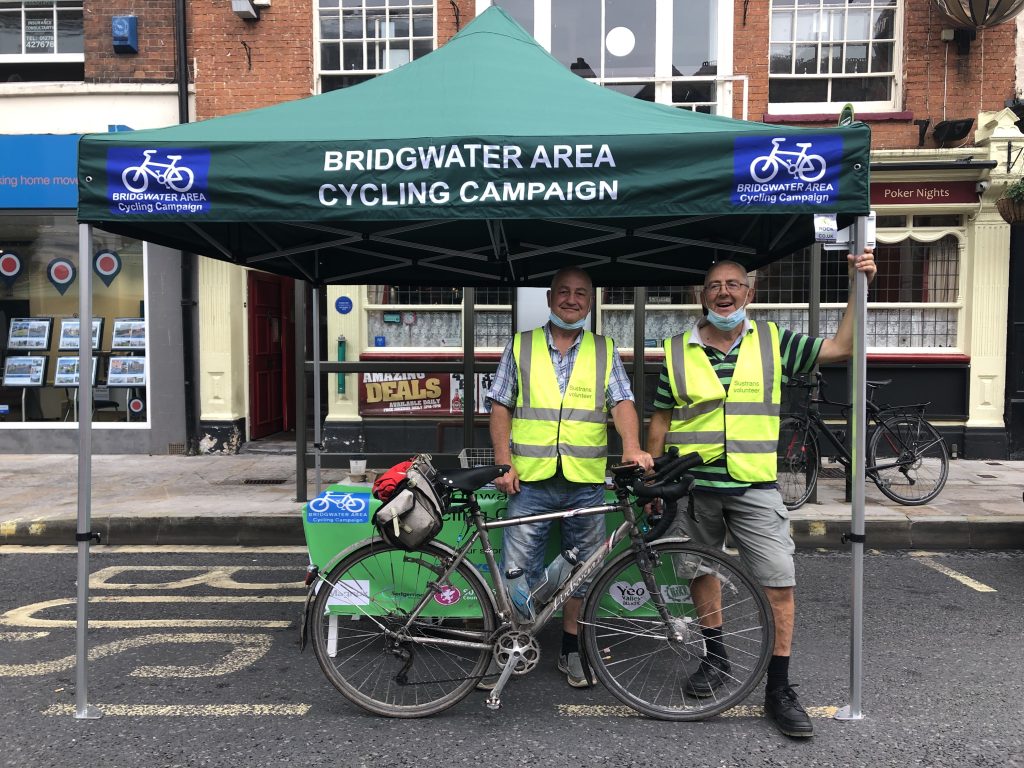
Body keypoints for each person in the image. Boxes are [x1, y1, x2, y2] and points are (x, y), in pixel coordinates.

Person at [646, 249, 876, 737]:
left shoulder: (773, 340)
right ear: (699, 296)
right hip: (696, 487)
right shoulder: (674, 349)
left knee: (779, 582)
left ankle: (779, 687)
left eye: (734, 284)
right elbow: (662, 417)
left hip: (754, 486)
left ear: (751, 294)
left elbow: (840, 349)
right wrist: (653, 480)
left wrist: (860, 287)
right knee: (701, 573)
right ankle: (717, 658)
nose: (724, 292)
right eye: (714, 286)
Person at [487, 266, 653, 688]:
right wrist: (504, 462)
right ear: (549, 298)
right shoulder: (520, 346)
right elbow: (501, 405)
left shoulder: (604, 349)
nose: (572, 299)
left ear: (590, 302)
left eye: (581, 293)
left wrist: (632, 446)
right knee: (515, 570)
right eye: (564, 292)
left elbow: (623, 403)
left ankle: (570, 650)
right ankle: (509, 648)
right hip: (531, 480)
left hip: (585, 481)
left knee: (582, 574)